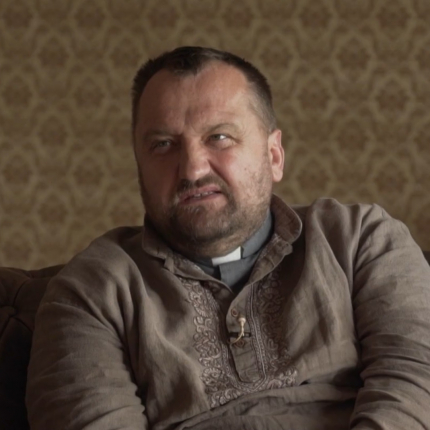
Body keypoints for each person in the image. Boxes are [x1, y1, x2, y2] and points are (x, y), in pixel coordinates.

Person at [26, 46, 430, 430]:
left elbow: (415, 383)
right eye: (163, 145)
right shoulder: (92, 290)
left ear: (274, 156)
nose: (192, 169)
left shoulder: (361, 240)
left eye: (219, 137)